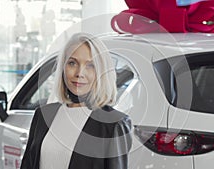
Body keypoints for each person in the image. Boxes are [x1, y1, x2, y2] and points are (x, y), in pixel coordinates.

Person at [20, 33, 132, 169]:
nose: (79, 73)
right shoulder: (43, 115)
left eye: (90, 65)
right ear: (63, 68)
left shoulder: (114, 124)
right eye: (72, 63)